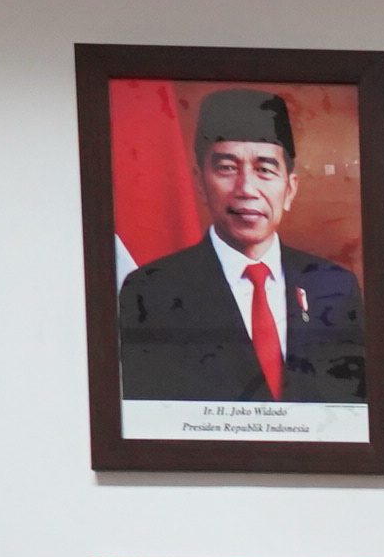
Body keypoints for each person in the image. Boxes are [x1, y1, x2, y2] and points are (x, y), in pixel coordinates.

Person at [116, 88, 368, 406]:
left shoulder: (334, 286)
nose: (246, 189)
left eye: (265, 170)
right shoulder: (151, 292)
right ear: (200, 183)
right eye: (227, 167)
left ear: (290, 189)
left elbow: (354, 408)